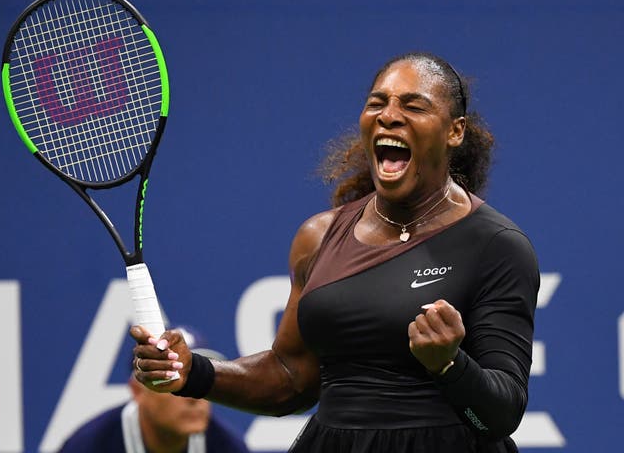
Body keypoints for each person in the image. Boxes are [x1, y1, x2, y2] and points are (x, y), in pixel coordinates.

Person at [131, 52, 539, 452]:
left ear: (455, 131)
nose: (389, 115)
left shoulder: (496, 246)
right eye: (376, 103)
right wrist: (194, 373)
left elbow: (500, 416)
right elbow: (290, 380)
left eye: (414, 106)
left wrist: (450, 366)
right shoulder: (319, 236)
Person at [59, 326, 250, 453]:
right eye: (174, 381)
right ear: (138, 391)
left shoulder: (228, 447)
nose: (194, 398)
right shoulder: (89, 446)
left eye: (197, 381)